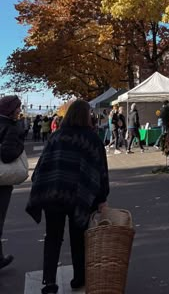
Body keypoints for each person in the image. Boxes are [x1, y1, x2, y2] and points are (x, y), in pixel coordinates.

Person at [26, 99, 109, 294]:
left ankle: (49, 282)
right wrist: (101, 198)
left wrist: (42, 187)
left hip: (53, 194)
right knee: (78, 237)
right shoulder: (92, 138)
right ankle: (79, 277)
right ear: (86, 115)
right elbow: (100, 171)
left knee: (53, 237)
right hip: (79, 196)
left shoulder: (56, 137)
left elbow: (42, 167)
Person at [0, 94, 24, 271]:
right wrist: (20, 146)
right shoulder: (9, 127)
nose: (19, 111)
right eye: (17, 107)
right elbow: (8, 155)